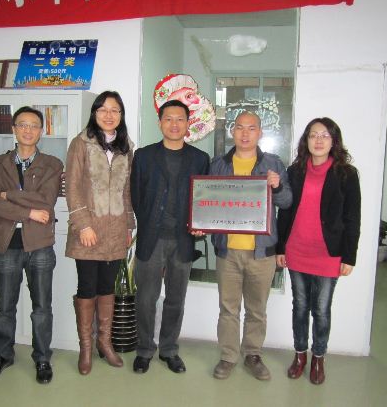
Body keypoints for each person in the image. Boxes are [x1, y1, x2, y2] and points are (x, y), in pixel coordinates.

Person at [0, 106, 63, 384]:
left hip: (39, 245)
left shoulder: (52, 164)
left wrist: (9, 195)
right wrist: (28, 212)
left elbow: (46, 201)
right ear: (14, 129)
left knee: (42, 308)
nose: (28, 130)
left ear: (41, 131)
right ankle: (2, 355)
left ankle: (42, 358)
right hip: (7, 245)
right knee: (5, 306)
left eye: (34, 125)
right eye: (23, 125)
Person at [276, 117, 361, 385]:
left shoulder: (346, 174)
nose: (319, 140)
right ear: (306, 140)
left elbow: (353, 218)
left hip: (328, 253)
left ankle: (318, 358)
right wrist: (280, 247)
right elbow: (285, 211)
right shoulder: (295, 171)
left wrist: (349, 256)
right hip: (297, 249)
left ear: (334, 141)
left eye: (325, 135)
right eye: (313, 135)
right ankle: (300, 355)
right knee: (300, 306)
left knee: (321, 310)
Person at [210, 111, 292, 381]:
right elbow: (207, 202)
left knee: (257, 310)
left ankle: (253, 355)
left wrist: (277, 186)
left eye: (251, 128)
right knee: (228, 308)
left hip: (262, 252)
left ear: (260, 133)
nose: (245, 133)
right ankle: (228, 356)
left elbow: (287, 202)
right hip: (228, 251)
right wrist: (201, 224)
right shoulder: (219, 165)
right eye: (240, 127)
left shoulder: (273, 164)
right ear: (232, 131)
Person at [130, 99, 210, 374]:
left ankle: (169, 350)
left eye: (180, 119)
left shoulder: (200, 159)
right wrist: (148, 222)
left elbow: (204, 199)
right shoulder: (143, 156)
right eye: (168, 118)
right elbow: (135, 195)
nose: (174, 124)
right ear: (160, 123)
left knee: (176, 299)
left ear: (188, 124)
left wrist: (199, 224)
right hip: (151, 239)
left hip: (183, 240)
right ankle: (144, 350)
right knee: (146, 299)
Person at [65, 91, 135, 375]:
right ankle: (86, 347)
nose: (109, 115)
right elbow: (72, 187)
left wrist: (129, 225)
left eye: (115, 110)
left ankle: (105, 343)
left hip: (116, 230)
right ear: (94, 113)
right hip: (88, 231)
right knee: (87, 287)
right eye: (103, 109)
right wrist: (83, 225)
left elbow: (127, 191)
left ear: (121, 115)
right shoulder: (81, 143)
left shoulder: (126, 147)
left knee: (108, 288)